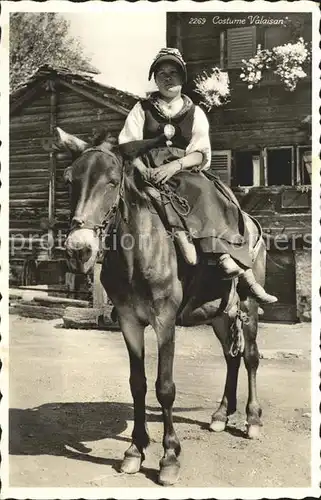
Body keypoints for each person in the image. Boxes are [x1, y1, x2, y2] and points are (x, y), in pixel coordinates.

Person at [118, 48, 277, 305]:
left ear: (183, 77)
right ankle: (121, 283)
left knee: (207, 192)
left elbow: (200, 153)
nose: (168, 78)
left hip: (183, 172)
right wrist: (142, 168)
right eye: (162, 73)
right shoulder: (141, 109)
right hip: (146, 170)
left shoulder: (195, 112)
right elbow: (128, 145)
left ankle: (225, 256)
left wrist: (174, 166)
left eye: (173, 73)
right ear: (155, 79)